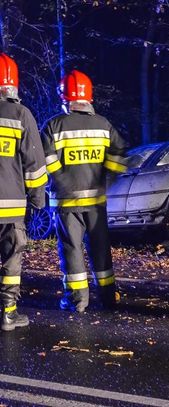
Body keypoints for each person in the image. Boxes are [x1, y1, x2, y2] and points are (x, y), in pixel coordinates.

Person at [42, 69, 128, 313]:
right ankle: (108, 297)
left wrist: (63, 183)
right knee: (100, 249)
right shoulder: (104, 125)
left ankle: (77, 300)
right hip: (96, 202)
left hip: (66, 203)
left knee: (72, 249)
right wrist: (106, 181)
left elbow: (47, 162)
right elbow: (120, 154)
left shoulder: (53, 126)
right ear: (89, 98)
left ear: (65, 99)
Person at [0, 54, 47, 330]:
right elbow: (35, 165)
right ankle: (8, 312)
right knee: (11, 258)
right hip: (11, 207)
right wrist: (38, 199)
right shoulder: (21, 116)